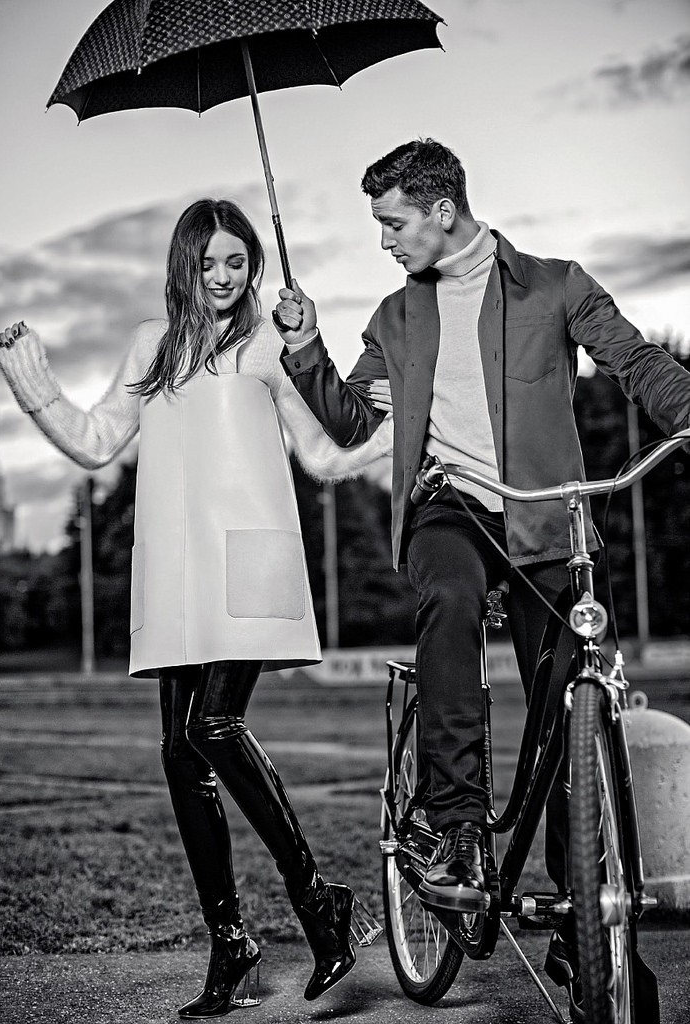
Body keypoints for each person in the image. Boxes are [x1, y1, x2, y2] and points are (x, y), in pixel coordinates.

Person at [271, 139, 690, 1018]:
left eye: (393, 222)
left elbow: (635, 361)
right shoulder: (395, 318)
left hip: (546, 519)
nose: (384, 239)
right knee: (450, 597)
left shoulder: (555, 286)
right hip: (449, 509)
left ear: (442, 210)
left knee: (575, 702)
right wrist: (305, 348)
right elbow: (351, 422)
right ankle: (455, 829)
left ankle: (585, 925)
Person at [0, 198, 391, 1019]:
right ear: (184, 265)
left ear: (252, 266)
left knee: (213, 726)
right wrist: (33, 382)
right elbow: (96, 439)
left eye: (236, 261)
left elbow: (323, 455)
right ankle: (231, 943)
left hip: (249, 566)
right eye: (207, 262)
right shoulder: (153, 345)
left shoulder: (270, 344)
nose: (221, 276)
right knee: (179, 752)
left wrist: (399, 425)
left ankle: (317, 899)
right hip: (176, 571)